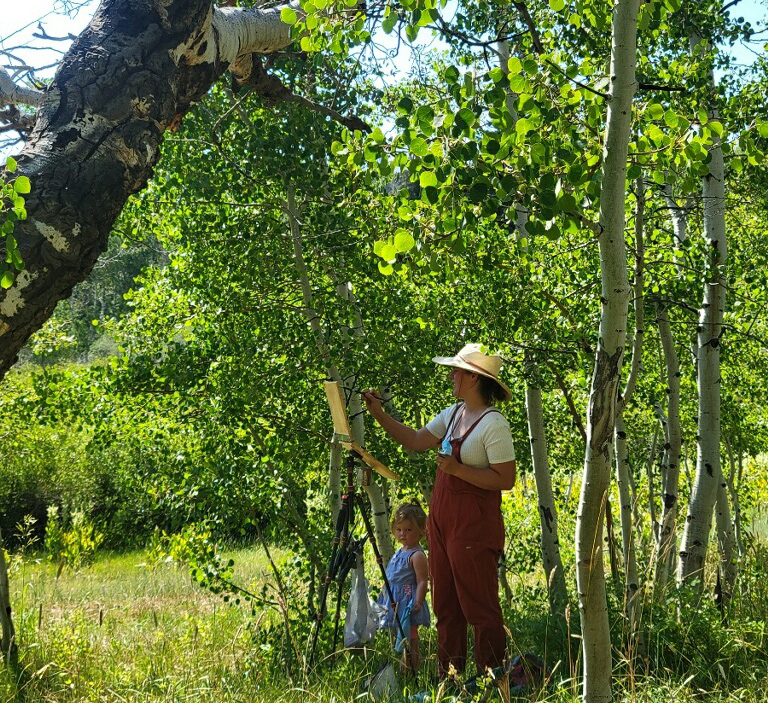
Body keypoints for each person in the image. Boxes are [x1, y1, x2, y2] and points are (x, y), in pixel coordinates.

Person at [363, 343, 516, 678]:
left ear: (473, 378)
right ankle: (450, 678)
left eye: (456, 371)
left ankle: (493, 679)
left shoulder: (494, 424)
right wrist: (378, 414)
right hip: (443, 525)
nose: (451, 376)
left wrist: (458, 469)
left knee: (479, 605)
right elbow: (415, 440)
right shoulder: (453, 414)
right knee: (445, 603)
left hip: (474, 527)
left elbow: (506, 479)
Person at [378, 502, 430, 673]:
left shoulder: (417, 555)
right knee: (401, 635)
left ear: (420, 531)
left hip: (407, 601)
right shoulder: (401, 551)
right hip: (396, 601)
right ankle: (403, 667)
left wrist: (418, 601)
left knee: (411, 636)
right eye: (399, 529)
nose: (403, 534)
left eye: (408, 530)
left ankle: (411, 668)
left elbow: (422, 581)